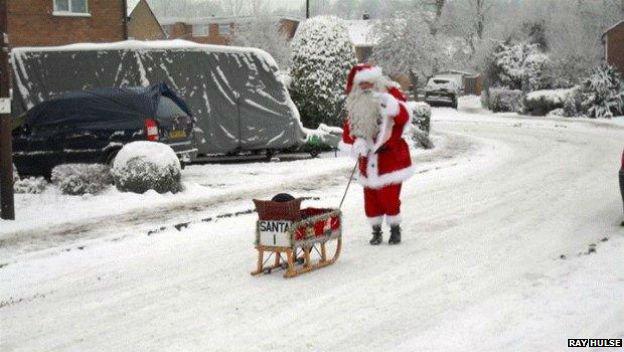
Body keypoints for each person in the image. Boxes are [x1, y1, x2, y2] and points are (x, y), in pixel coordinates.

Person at [339, 64, 414, 245]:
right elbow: (348, 131)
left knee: (389, 197)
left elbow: (404, 116)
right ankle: (376, 230)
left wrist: (393, 106)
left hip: (390, 159)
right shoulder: (356, 104)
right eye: (361, 84)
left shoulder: (390, 94)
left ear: (376, 81)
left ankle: (395, 229)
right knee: (371, 199)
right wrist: (356, 142)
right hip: (367, 160)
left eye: (368, 82)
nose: (365, 87)